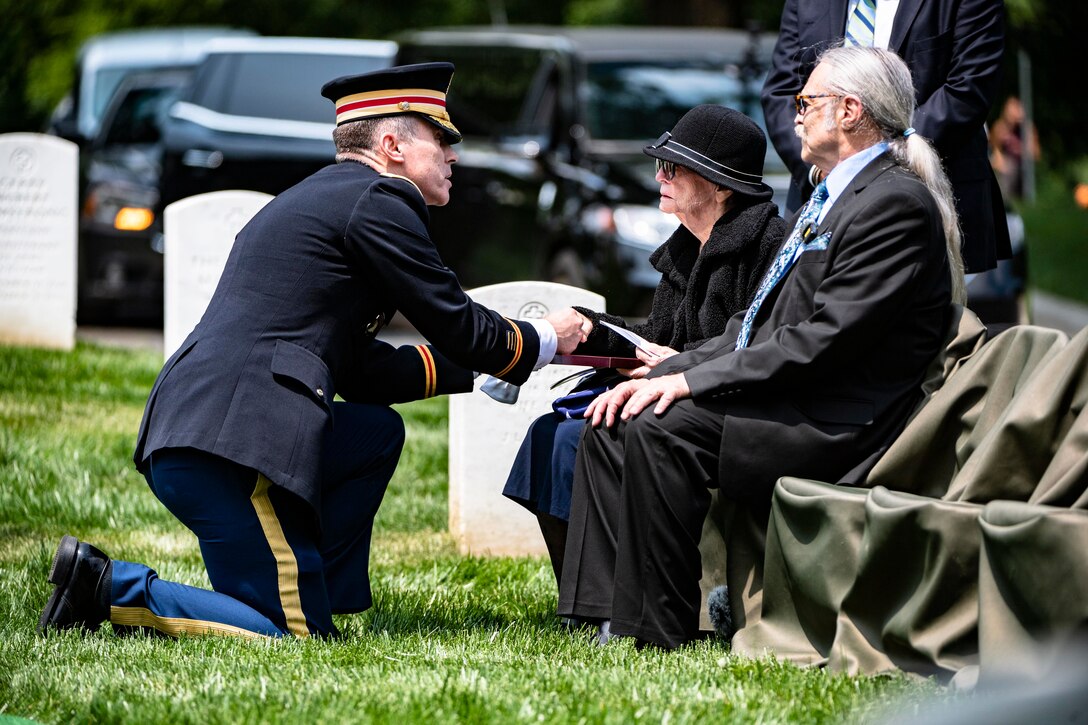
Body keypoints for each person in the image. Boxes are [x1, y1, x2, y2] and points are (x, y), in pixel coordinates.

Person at [38, 62, 586, 639]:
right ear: (393, 145)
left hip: (219, 434)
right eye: (441, 141)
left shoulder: (334, 197)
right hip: (234, 448)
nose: (454, 157)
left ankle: (318, 585)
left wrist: (479, 369)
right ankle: (103, 585)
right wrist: (543, 338)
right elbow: (458, 323)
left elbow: (363, 375)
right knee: (288, 636)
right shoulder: (380, 200)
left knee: (375, 433)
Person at [558, 45, 966, 650]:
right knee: (617, 417)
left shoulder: (893, 203)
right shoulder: (835, 196)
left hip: (836, 418)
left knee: (661, 427)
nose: (795, 115)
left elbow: (824, 339)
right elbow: (754, 324)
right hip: (798, 395)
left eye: (807, 102)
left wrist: (689, 384)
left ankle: (659, 631)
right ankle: (605, 616)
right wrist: (671, 367)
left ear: (850, 110)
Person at [502, 105, 786, 585]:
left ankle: (611, 604)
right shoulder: (687, 240)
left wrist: (677, 370)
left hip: (726, 406)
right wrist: (591, 328)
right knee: (547, 433)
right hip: (671, 395)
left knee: (580, 437)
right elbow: (654, 337)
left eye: (673, 167)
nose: (659, 175)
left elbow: (755, 344)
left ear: (719, 186)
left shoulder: (768, 246)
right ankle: (581, 600)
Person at [761, 0, 1011, 274]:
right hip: (819, 203)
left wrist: (871, 169)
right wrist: (821, 172)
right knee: (803, 312)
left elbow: (966, 90)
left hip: (931, 208)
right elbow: (782, 93)